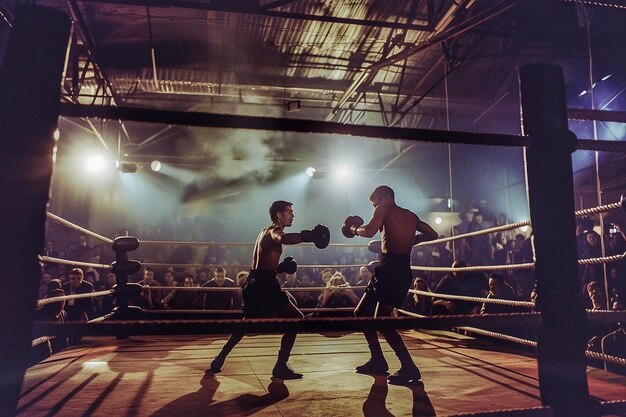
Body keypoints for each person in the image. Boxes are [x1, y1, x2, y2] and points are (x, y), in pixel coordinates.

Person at [208, 200, 330, 379]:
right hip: (265, 285)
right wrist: (309, 236)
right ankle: (281, 366)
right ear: (279, 215)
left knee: (246, 322)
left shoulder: (262, 232)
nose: (292, 215)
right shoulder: (275, 231)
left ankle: (220, 358)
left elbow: (263, 264)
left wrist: (280, 268)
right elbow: (284, 238)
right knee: (296, 319)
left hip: (255, 281)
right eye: (289, 212)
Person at [342, 185, 437, 385]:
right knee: (380, 319)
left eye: (375, 203)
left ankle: (403, 365)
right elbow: (433, 234)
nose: (374, 207)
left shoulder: (384, 209)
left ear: (384, 199)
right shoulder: (410, 216)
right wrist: (411, 240)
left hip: (389, 269)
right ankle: (385, 361)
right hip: (403, 271)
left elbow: (368, 231)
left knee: (362, 314)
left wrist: (353, 229)